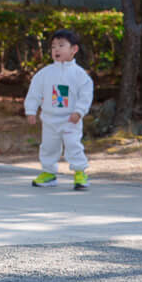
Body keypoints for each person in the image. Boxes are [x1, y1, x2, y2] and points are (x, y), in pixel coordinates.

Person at [25, 27, 93, 190]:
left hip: (70, 119)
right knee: (48, 146)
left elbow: (85, 94)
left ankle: (79, 172)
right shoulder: (44, 74)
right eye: (53, 46)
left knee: (73, 145)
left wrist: (79, 111)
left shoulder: (79, 75)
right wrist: (31, 110)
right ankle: (48, 173)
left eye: (61, 45)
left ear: (74, 49)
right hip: (49, 119)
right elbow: (34, 92)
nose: (56, 49)